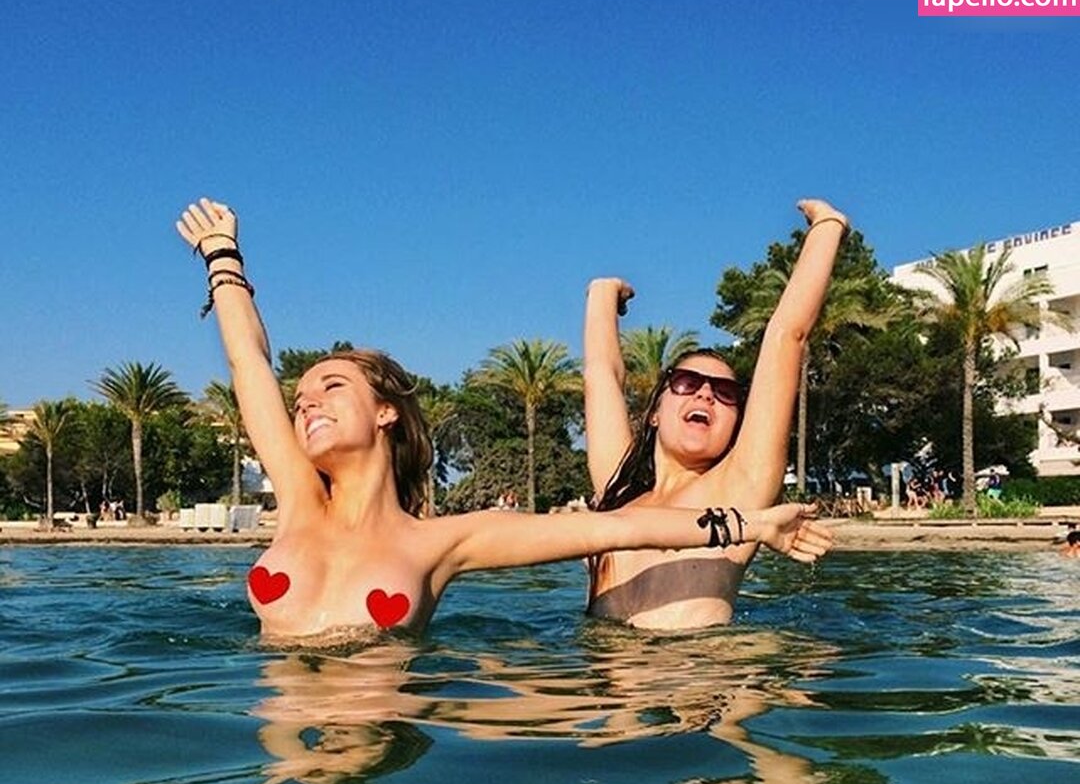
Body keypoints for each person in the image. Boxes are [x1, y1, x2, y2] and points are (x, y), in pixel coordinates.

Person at [176, 199, 832, 643]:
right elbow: (249, 365)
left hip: (694, 685)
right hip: (285, 762)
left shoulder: (443, 542)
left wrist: (753, 523)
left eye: (331, 385)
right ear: (655, 408)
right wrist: (222, 258)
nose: (306, 401)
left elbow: (615, 528)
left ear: (385, 412)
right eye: (300, 398)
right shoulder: (298, 503)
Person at [582, 199, 848, 629]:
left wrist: (827, 226)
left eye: (725, 393)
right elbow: (601, 377)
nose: (706, 394)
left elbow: (787, 337)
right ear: (654, 413)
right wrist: (603, 294)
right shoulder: (619, 489)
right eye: (687, 382)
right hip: (600, 668)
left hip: (700, 668)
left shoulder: (739, 488)